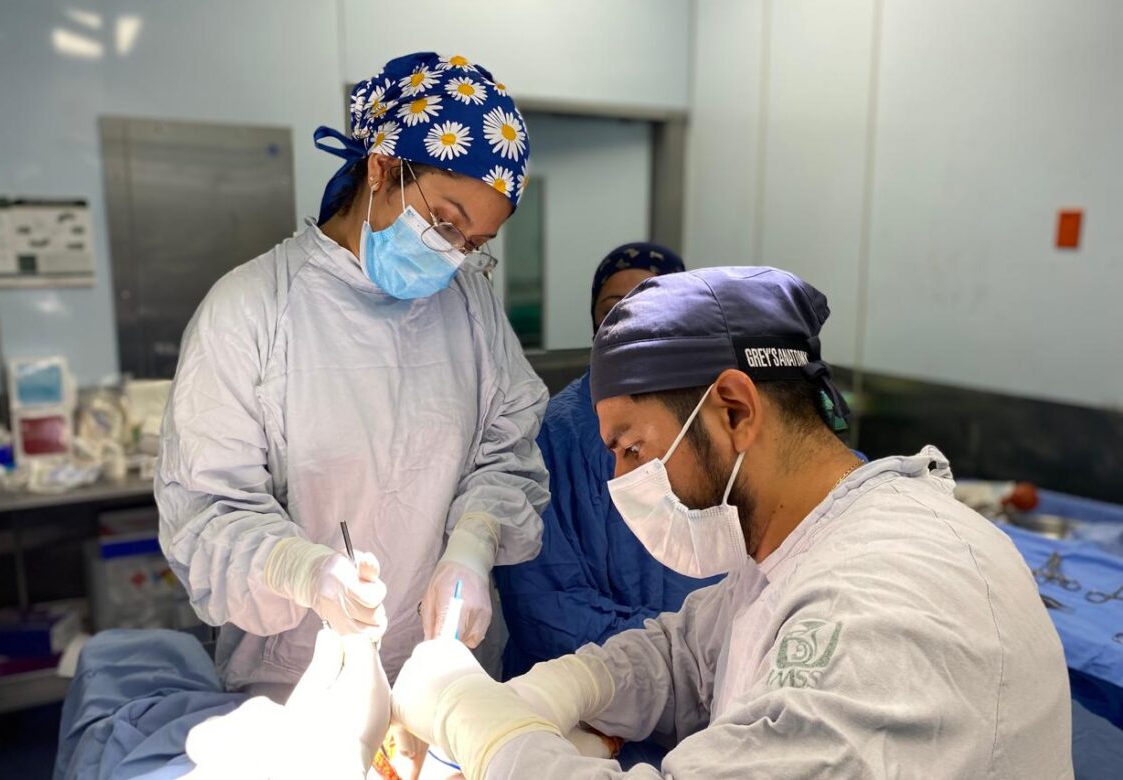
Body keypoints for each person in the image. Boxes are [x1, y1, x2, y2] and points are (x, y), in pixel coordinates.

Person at [391, 266, 1073, 778]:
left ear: (736, 410)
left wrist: (484, 730)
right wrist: (559, 690)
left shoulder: (883, 611)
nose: (622, 482)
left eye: (634, 449)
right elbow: (688, 655)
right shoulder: (793, 550)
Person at [155, 50, 549, 715]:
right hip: (297, 684)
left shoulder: (470, 307)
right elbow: (207, 512)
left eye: (474, 243)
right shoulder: (251, 309)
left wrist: (475, 542)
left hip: (447, 676)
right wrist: (304, 571)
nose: (453, 254)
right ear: (382, 167)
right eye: (445, 222)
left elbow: (507, 452)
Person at [495, 243, 721, 682]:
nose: (631, 319)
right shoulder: (555, 434)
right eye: (614, 307)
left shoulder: (713, 423)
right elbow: (543, 603)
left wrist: (707, 654)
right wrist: (674, 653)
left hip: (708, 685)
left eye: (650, 302)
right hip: (581, 688)